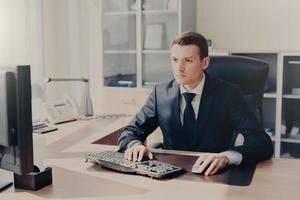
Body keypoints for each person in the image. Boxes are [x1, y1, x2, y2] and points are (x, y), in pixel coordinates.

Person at [118, 31, 274, 176]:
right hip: (170, 173)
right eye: (175, 60)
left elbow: (262, 143)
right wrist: (134, 145)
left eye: (188, 60)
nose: (179, 68)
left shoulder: (228, 94)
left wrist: (227, 157)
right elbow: (130, 131)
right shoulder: (161, 93)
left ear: (204, 62)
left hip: (213, 174)